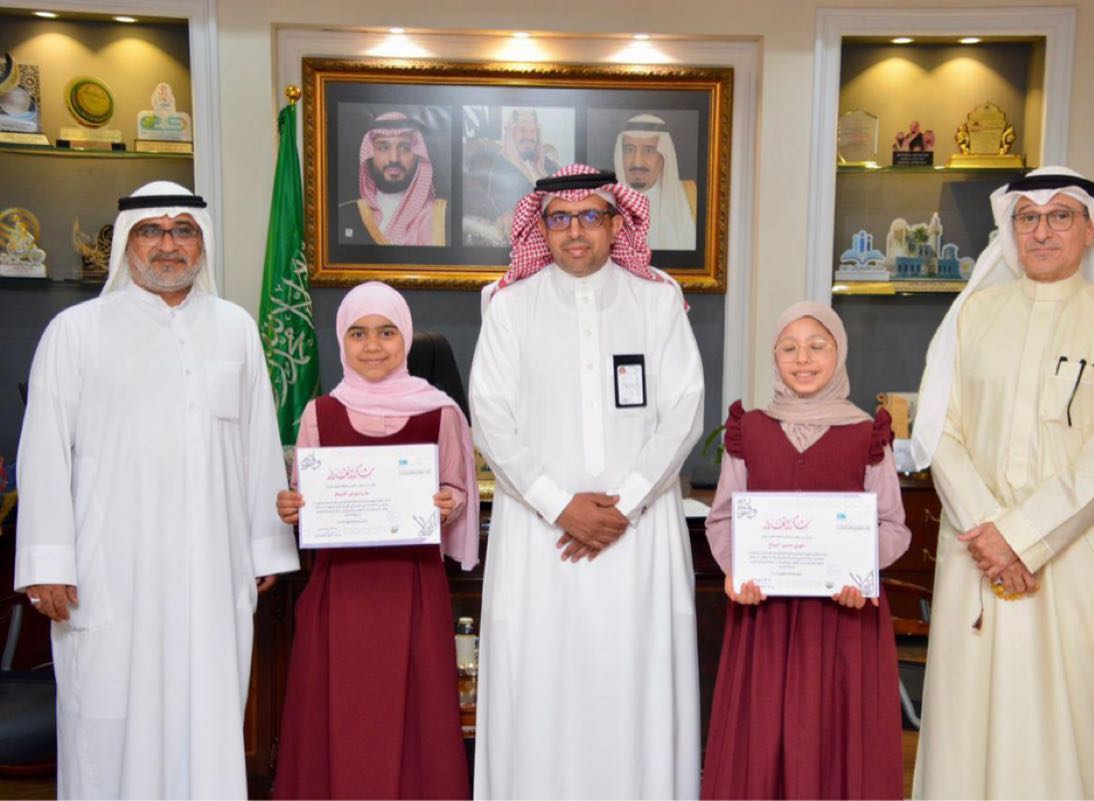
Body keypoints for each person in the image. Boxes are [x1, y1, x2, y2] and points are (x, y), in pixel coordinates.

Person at [14, 180, 299, 799]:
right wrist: (47, 564)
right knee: (110, 727)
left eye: (183, 231)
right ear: (127, 243)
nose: (168, 245)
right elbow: (43, 452)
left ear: (202, 242)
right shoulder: (76, 331)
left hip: (213, 569)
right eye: (152, 231)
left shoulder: (234, 328)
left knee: (208, 718)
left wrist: (266, 545)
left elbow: (258, 441)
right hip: (109, 572)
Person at [909, 167, 1094, 799]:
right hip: (977, 551)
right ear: (1011, 229)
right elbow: (940, 431)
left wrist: (1023, 537)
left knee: (1068, 720)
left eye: (1060, 216)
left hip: (1073, 564)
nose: (1042, 232)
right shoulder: (973, 318)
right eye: (1028, 218)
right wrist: (992, 533)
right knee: (969, 718)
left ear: (1090, 230)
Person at [469, 164, 705, 799]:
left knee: (633, 685)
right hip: (540, 539)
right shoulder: (509, 307)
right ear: (541, 227)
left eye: (591, 216)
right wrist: (559, 506)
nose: (576, 232)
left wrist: (626, 503)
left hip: (639, 536)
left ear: (617, 223)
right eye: (560, 219)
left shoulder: (657, 301)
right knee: (540, 689)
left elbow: (685, 410)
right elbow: (489, 419)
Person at [271, 281, 478, 800]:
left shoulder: (442, 413)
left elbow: (458, 489)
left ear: (406, 336)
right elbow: (305, 497)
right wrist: (292, 506)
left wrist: (448, 503)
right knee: (342, 713)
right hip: (340, 593)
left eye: (387, 332)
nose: (373, 345)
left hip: (412, 589)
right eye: (358, 333)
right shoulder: (320, 414)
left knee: (413, 718)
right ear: (342, 340)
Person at [700, 302, 910, 800]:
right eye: (789, 348)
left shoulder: (867, 435)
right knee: (763, 740)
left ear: (839, 353)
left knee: (836, 740)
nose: (803, 359)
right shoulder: (749, 431)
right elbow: (724, 517)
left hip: (843, 621)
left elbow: (893, 526)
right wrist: (736, 570)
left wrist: (859, 571)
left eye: (818, 347)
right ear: (774, 357)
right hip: (764, 619)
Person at [338, 111, 447, 246]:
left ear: (418, 155)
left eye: (404, 148)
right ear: (370, 154)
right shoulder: (345, 215)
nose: (394, 158)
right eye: (383, 148)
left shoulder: (441, 217)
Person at [463, 108, 561, 246]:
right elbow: (471, 191)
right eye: (522, 130)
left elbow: (566, 197)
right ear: (509, 131)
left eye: (533, 131)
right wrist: (502, 212)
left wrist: (541, 172)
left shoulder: (546, 164)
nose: (529, 137)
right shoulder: (489, 160)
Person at [613, 113, 697, 250]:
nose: (637, 162)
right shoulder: (605, 201)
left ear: (662, 157)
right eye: (629, 150)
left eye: (648, 150)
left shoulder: (690, 196)